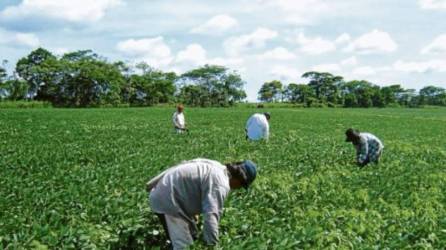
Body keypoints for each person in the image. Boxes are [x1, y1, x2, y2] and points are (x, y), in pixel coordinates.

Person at [146, 158, 257, 250]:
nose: (238, 189)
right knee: (184, 247)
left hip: (164, 193)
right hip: (168, 202)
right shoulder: (221, 184)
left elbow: (184, 167)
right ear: (240, 179)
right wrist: (212, 246)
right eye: (241, 186)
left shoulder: (217, 166)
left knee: (192, 235)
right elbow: (211, 215)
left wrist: (151, 184)